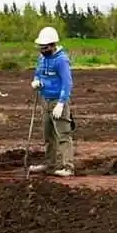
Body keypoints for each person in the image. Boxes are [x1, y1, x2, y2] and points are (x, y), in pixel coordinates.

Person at [28, 26, 75, 177]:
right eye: (40, 47)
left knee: (63, 135)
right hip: (45, 100)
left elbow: (67, 83)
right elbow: (38, 73)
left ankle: (68, 167)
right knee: (48, 136)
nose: (42, 50)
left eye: (45, 47)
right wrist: (36, 81)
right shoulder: (42, 58)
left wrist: (61, 103)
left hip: (57, 101)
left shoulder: (61, 60)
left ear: (53, 45)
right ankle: (50, 164)